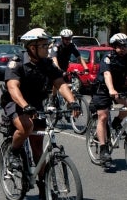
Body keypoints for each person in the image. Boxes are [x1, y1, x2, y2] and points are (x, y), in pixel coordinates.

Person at [2, 28, 80, 199]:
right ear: (32, 47)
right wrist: (25, 105)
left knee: (38, 147)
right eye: (44, 45)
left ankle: (43, 185)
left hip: (36, 104)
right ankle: (14, 153)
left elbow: (60, 83)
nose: (48, 48)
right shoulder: (17, 62)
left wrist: (72, 101)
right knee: (27, 126)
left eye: (48, 44)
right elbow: (12, 88)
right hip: (15, 103)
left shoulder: (46, 63)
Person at [91, 33, 127, 165]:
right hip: (103, 89)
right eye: (120, 46)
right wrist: (111, 89)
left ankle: (117, 122)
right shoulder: (108, 57)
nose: (123, 48)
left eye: (125, 46)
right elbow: (107, 74)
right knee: (103, 116)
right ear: (114, 46)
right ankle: (103, 149)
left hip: (118, 90)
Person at [48, 28, 89, 106]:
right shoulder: (57, 46)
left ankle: (69, 107)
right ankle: (52, 97)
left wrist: (86, 68)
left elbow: (79, 57)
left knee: (69, 86)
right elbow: (54, 59)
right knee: (56, 81)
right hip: (54, 65)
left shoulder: (72, 46)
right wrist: (58, 69)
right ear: (62, 38)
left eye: (69, 38)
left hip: (64, 66)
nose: (68, 40)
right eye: (66, 39)